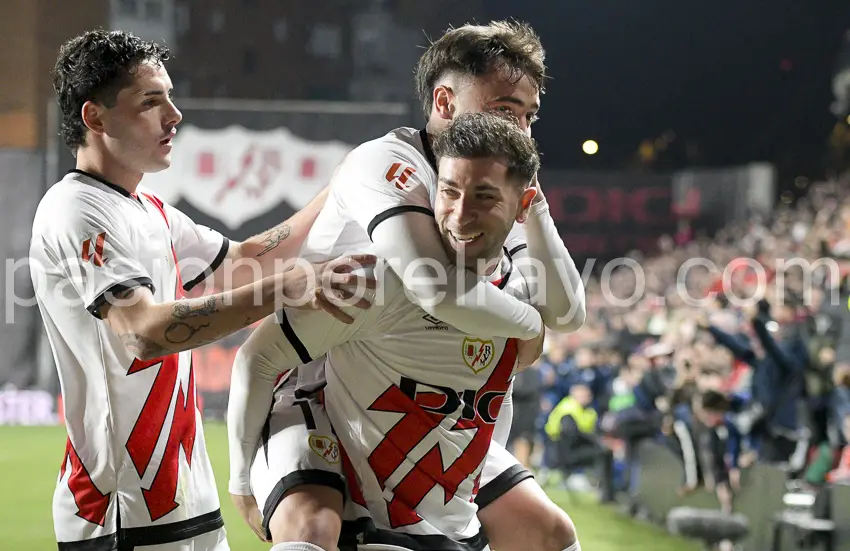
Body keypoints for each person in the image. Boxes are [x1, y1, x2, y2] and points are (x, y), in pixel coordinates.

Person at [229, 20, 584, 551]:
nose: (521, 131)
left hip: (435, 399)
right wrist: (527, 324)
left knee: (550, 532)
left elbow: (564, 311)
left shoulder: (497, 177)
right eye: (506, 110)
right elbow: (432, 287)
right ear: (445, 101)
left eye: (528, 117)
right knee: (313, 532)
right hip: (327, 385)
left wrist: (536, 214)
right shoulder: (388, 162)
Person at [30, 30, 373, 550]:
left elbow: (244, 260)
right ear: (94, 117)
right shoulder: (76, 208)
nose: (174, 114)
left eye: (170, 96)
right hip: (124, 507)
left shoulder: (148, 209)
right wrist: (289, 287)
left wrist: (341, 187)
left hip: (184, 495)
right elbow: (142, 332)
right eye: (151, 102)